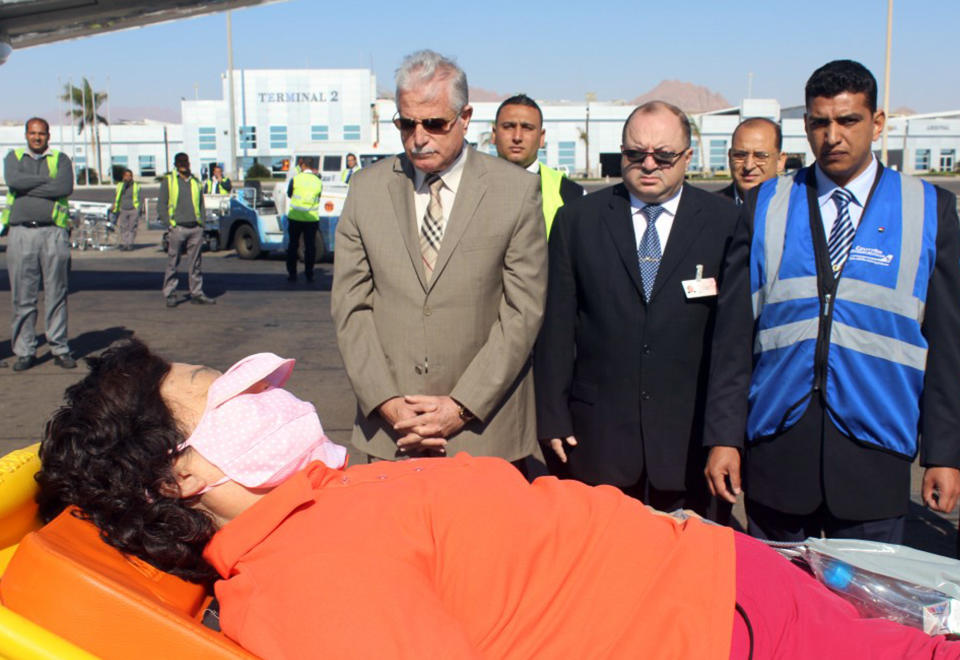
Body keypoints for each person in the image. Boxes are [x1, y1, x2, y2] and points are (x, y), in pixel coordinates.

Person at [35, 338, 960, 660]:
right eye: (217, 382)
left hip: (715, 590)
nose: (262, 380)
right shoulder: (300, 581)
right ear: (181, 473)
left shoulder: (316, 508)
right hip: (712, 628)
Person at [704, 60, 960, 544]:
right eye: (820, 123)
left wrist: (945, 453)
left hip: (875, 447)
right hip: (779, 442)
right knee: (776, 606)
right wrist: (723, 438)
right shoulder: (767, 204)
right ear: (806, 127)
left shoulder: (929, 209)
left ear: (877, 123)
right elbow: (733, 335)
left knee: (867, 611)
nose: (833, 136)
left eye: (848, 121)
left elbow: (947, 344)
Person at [331, 50, 546, 465]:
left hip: (484, 434)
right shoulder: (366, 191)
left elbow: (523, 313)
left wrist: (461, 406)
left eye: (434, 123)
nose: (418, 136)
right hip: (395, 433)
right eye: (406, 123)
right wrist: (389, 404)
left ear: (465, 118)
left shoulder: (514, 192)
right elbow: (350, 308)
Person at [535, 101, 739, 519]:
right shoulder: (578, 221)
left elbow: (731, 341)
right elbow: (557, 328)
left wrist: (725, 435)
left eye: (663, 156)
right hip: (598, 439)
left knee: (683, 570)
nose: (649, 165)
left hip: (687, 441)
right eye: (634, 154)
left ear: (687, 156)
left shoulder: (724, 222)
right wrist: (552, 416)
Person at [1, 117, 75, 371]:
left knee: (56, 293)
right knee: (23, 296)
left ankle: (59, 347)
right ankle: (24, 350)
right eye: (33, 133)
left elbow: (64, 186)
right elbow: (14, 182)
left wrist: (29, 188)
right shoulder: (13, 158)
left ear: (48, 135)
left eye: (41, 134)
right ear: (26, 135)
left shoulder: (60, 160)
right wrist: (48, 186)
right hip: (22, 233)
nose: (37, 138)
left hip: (53, 233)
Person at [491, 94, 583, 235]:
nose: (517, 137)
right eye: (508, 126)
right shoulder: (467, 188)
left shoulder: (571, 194)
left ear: (541, 138)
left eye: (527, 128)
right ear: (494, 134)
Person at [159, 152, 215, 308]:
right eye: (180, 162)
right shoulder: (169, 181)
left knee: (195, 263)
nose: (184, 164)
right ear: (176, 164)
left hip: (195, 228)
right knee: (173, 262)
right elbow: (161, 205)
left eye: (185, 161)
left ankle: (196, 293)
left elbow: (201, 205)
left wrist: (202, 224)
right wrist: (169, 224)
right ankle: (170, 293)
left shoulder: (196, 182)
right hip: (178, 228)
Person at [718, 117, 786, 205]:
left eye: (760, 156)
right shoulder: (708, 209)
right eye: (740, 155)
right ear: (730, 157)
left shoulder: (795, 209)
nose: (748, 166)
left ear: (780, 161)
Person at [285, 157, 323, 283]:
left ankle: (292, 273)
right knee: (310, 247)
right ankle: (309, 273)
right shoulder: (318, 181)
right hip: (311, 218)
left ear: (303, 166)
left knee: (293, 246)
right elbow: (319, 196)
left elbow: (289, 194)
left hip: (295, 217)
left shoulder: (296, 179)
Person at [112, 168, 142, 251]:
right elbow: (117, 197)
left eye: (130, 176)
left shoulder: (136, 186)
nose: (128, 177)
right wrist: (114, 206)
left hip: (133, 209)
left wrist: (139, 208)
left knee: (132, 227)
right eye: (126, 176)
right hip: (123, 209)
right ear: (123, 176)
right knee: (124, 227)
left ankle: (130, 243)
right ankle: (125, 243)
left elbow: (139, 198)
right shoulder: (120, 185)